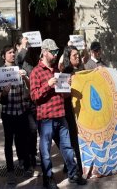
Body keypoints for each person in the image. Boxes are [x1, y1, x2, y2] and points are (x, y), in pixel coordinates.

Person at [30, 39, 87, 189]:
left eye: (56, 52)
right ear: (44, 52)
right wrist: (48, 85)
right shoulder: (36, 72)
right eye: (53, 52)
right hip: (46, 118)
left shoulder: (57, 70)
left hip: (60, 115)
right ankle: (48, 179)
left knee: (67, 147)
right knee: (46, 151)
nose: (55, 54)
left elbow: (63, 95)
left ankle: (73, 174)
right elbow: (34, 97)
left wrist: (67, 88)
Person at [0, 45, 32, 184]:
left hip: (22, 110)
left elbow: (28, 92)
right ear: (3, 56)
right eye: (9, 52)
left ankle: (26, 165)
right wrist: (4, 92)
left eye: (13, 52)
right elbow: (0, 96)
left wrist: (26, 79)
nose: (12, 54)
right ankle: (10, 171)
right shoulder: (0, 73)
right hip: (8, 113)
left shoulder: (19, 70)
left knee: (24, 139)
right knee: (8, 143)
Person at [60, 45, 85, 174]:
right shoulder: (64, 72)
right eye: (74, 55)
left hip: (84, 109)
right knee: (73, 140)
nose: (78, 57)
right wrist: (68, 87)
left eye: (78, 54)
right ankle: (78, 168)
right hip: (70, 111)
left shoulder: (82, 69)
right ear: (68, 58)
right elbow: (62, 95)